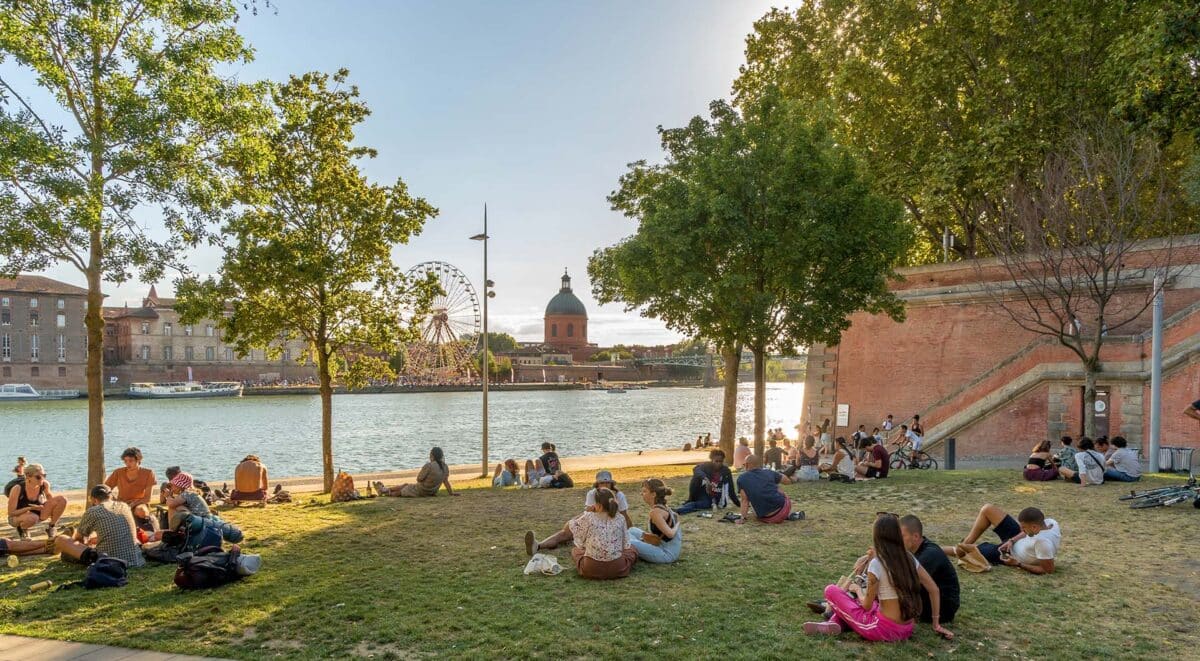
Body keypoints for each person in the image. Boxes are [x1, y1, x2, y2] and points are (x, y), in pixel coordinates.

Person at [803, 515, 953, 641]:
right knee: (862, 603)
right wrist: (936, 623)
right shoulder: (909, 558)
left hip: (884, 630)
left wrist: (857, 589)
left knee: (831, 590)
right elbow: (934, 589)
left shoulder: (877, 563)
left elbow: (866, 605)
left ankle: (834, 619)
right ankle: (833, 624)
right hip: (907, 628)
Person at [526, 488, 636, 579]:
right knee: (632, 550)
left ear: (597, 505)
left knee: (576, 551)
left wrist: (587, 512)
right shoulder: (620, 518)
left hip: (592, 569)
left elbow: (570, 526)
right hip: (617, 569)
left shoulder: (589, 517)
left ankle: (539, 545)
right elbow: (625, 544)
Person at [943, 504, 1060, 574]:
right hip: (1014, 541)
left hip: (1010, 554)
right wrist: (1012, 540)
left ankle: (934, 548)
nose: (1021, 528)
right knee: (988, 509)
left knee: (968, 551)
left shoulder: (1043, 543)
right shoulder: (1051, 523)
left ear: (1034, 527)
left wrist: (1017, 564)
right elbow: (1026, 533)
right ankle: (965, 542)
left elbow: (1047, 570)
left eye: (1023, 527)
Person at [54, 485, 145, 568]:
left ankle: (54, 550)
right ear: (111, 496)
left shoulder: (93, 511)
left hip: (108, 561)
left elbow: (79, 539)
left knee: (61, 539)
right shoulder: (124, 506)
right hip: (135, 559)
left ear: (93, 499)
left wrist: (86, 544)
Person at [627, 478, 682, 564]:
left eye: (645, 491)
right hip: (665, 547)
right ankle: (638, 545)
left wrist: (677, 524)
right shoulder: (663, 506)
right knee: (632, 530)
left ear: (653, 494)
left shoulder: (655, 512)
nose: (642, 494)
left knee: (626, 541)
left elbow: (670, 534)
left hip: (666, 554)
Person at [6, 463, 67, 539]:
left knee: (62, 500)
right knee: (32, 518)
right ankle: (23, 530)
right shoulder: (17, 488)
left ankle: (51, 527)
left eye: (44, 476)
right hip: (16, 517)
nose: (42, 479)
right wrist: (30, 508)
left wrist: (50, 508)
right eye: (38, 477)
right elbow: (11, 513)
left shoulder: (44, 485)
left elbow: (50, 498)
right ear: (28, 476)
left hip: (37, 513)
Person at [735, 455, 799, 524]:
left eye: (744, 465)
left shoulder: (741, 479)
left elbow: (745, 500)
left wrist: (742, 518)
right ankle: (788, 515)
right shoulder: (769, 472)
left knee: (754, 507)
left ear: (747, 465)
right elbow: (786, 481)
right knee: (778, 489)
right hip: (783, 511)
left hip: (766, 518)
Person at [375, 447, 459, 497]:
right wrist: (451, 493)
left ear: (432, 455)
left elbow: (419, 479)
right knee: (405, 485)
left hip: (422, 490)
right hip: (432, 492)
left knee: (401, 491)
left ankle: (383, 491)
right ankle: (383, 490)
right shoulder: (445, 467)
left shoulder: (429, 465)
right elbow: (446, 481)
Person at [104, 447, 156, 526]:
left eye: (131, 461)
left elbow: (147, 498)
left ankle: (145, 532)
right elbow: (105, 488)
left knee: (141, 511)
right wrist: (114, 500)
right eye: (125, 461)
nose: (128, 464)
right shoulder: (118, 472)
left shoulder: (148, 473)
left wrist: (132, 504)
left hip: (138, 503)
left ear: (138, 460)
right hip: (121, 503)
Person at [675, 449, 740, 514]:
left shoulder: (726, 471)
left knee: (702, 504)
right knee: (696, 477)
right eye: (716, 461)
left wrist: (738, 504)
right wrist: (706, 479)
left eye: (721, 461)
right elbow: (696, 469)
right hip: (704, 493)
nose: (719, 464)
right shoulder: (706, 466)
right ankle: (688, 502)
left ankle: (680, 510)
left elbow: (731, 489)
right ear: (712, 460)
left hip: (716, 496)